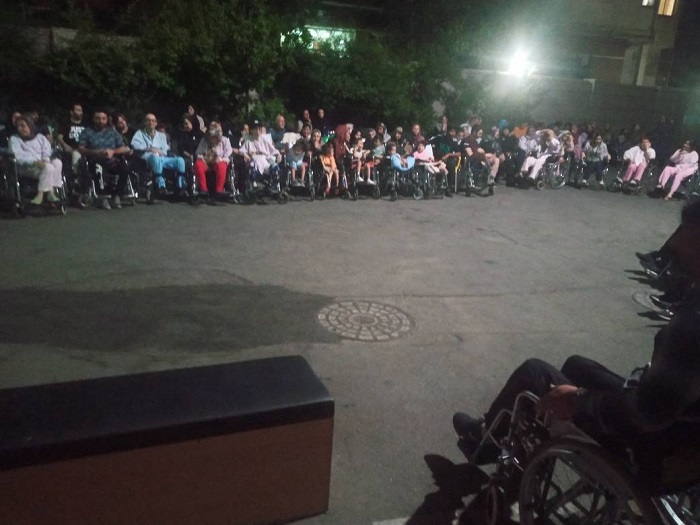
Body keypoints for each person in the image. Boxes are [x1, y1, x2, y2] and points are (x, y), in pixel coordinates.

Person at [453, 302, 700, 469]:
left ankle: (484, 438)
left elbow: (646, 413)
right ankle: (536, 441)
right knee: (577, 366)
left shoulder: (692, 324)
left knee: (535, 372)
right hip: (677, 435)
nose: (671, 245)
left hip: (644, 443)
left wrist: (578, 398)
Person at [78, 109, 131, 209]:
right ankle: (102, 197)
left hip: (112, 159)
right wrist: (95, 152)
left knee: (125, 168)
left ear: (107, 120)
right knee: (98, 169)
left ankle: (117, 195)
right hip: (94, 159)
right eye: (98, 118)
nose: (101, 121)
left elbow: (123, 148)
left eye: (103, 119)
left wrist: (113, 152)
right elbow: (80, 148)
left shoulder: (112, 132)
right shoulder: (87, 132)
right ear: (93, 119)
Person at [9, 114, 63, 206]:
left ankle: (51, 192)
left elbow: (47, 150)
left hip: (43, 163)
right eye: (18, 126)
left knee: (58, 163)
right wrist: (34, 161)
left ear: (30, 126)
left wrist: (45, 159)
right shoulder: (14, 139)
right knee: (48, 167)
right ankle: (40, 194)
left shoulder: (40, 137)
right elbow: (18, 156)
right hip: (27, 166)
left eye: (23, 126)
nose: (20, 129)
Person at [131, 113, 187, 193]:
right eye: (148, 121)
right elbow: (135, 145)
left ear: (156, 123)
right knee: (155, 158)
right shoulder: (139, 133)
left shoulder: (162, 135)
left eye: (153, 121)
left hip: (162, 157)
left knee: (180, 160)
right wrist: (150, 149)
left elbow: (165, 149)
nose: (151, 123)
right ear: (145, 122)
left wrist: (159, 151)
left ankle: (180, 186)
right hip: (147, 158)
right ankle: (161, 185)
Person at [194, 121, 233, 195]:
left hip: (218, 162)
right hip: (206, 162)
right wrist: (203, 158)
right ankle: (203, 190)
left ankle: (219, 190)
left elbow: (228, 154)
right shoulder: (204, 140)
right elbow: (198, 153)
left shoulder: (225, 140)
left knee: (222, 165)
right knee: (198, 164)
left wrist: (221, 159)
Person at [56, 103, 87, 174]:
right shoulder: (66, 123)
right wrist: (65, 145)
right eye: (78, 110)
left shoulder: (85, 124)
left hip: (84, 149)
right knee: (76, 155)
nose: (81, 113)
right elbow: (59, 137)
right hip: (71, 149)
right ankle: (76, 175)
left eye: (81, 111)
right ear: (72, 112)